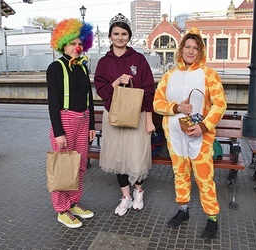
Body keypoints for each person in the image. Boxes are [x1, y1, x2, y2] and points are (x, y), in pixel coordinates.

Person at [153, 27, 227, 240]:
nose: (191, 51)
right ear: (181, 49)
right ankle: (183, 210)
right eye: (188, 46)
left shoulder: (209, 75)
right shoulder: (169, 76)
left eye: (195, 48)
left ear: (201, 51)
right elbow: (157, 103)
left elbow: (220, 104)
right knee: (180, 174)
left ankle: (212, 217)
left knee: (205, 178)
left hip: (200, 138)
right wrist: (176, 108)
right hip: (175, 138)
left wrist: (204, 126)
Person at [94, 13, 156, 216]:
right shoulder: (104, 62)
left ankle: (139, 192)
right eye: (116, 33)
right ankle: (125, 197)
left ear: (129, 36)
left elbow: (148, 90)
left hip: (136, 116)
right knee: (118, 158)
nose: (120, 37)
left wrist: (148, 120)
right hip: (114, 117)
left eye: (124, 34)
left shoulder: (138, 59)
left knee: (136, 156)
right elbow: (101, 90)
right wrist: (116, 82)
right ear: (110, 36)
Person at [46, 18, 96, 229]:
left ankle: (73, 203)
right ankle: (61, 210)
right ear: (62, 43)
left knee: (80, 165)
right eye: (72, 42)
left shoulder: (82, 67)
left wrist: (92, 124)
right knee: (63, 168)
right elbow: (53, 102)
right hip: (65, 122)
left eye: (79, 42)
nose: (77, 46)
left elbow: (89, 98)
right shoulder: (55, 68)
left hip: (83, 120)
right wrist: (59, 132)